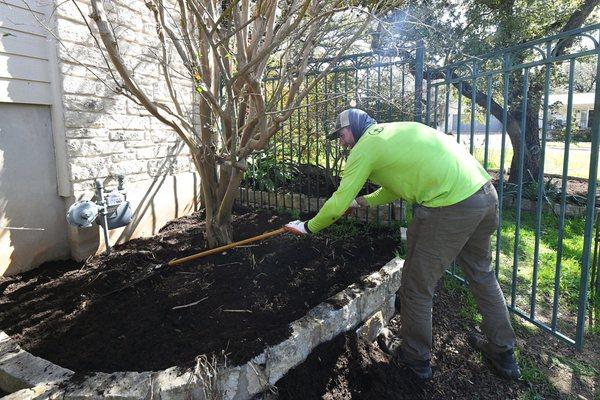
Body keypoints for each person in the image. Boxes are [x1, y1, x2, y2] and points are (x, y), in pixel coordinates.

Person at [283, 108, 521, 381]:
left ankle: (415, 357)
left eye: (342, 133)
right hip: (484, 194)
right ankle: (504, 354)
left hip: (448, 206)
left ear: (357, 126)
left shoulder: (366, 145)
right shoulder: (396, 132)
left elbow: (336, 203)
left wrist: (308, 226)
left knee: (416, 285)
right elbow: (395, 186)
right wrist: (362, 201)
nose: (341, 142)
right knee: (482, 275)